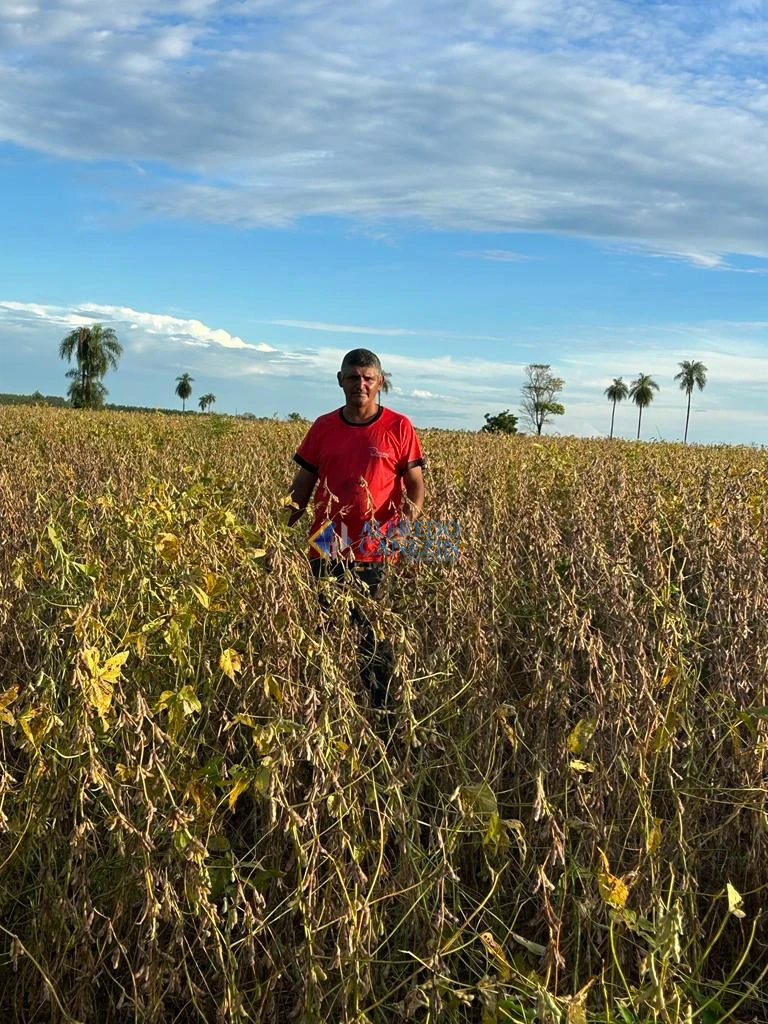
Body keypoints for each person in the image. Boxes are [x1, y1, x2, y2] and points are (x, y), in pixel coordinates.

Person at [287, 348, 425, 707]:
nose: (359, 384)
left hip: (374, 547)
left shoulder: (399, 426)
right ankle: (325, 709)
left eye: (367, 378)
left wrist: (405, 527)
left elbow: (415, 484)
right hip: (327, 541)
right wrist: (277, 528)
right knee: (325, 632)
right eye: (352, 378)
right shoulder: (323, 427)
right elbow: (303, 484)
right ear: (340, 380)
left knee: (371, 638)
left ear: (380, 382)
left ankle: (383, 718)